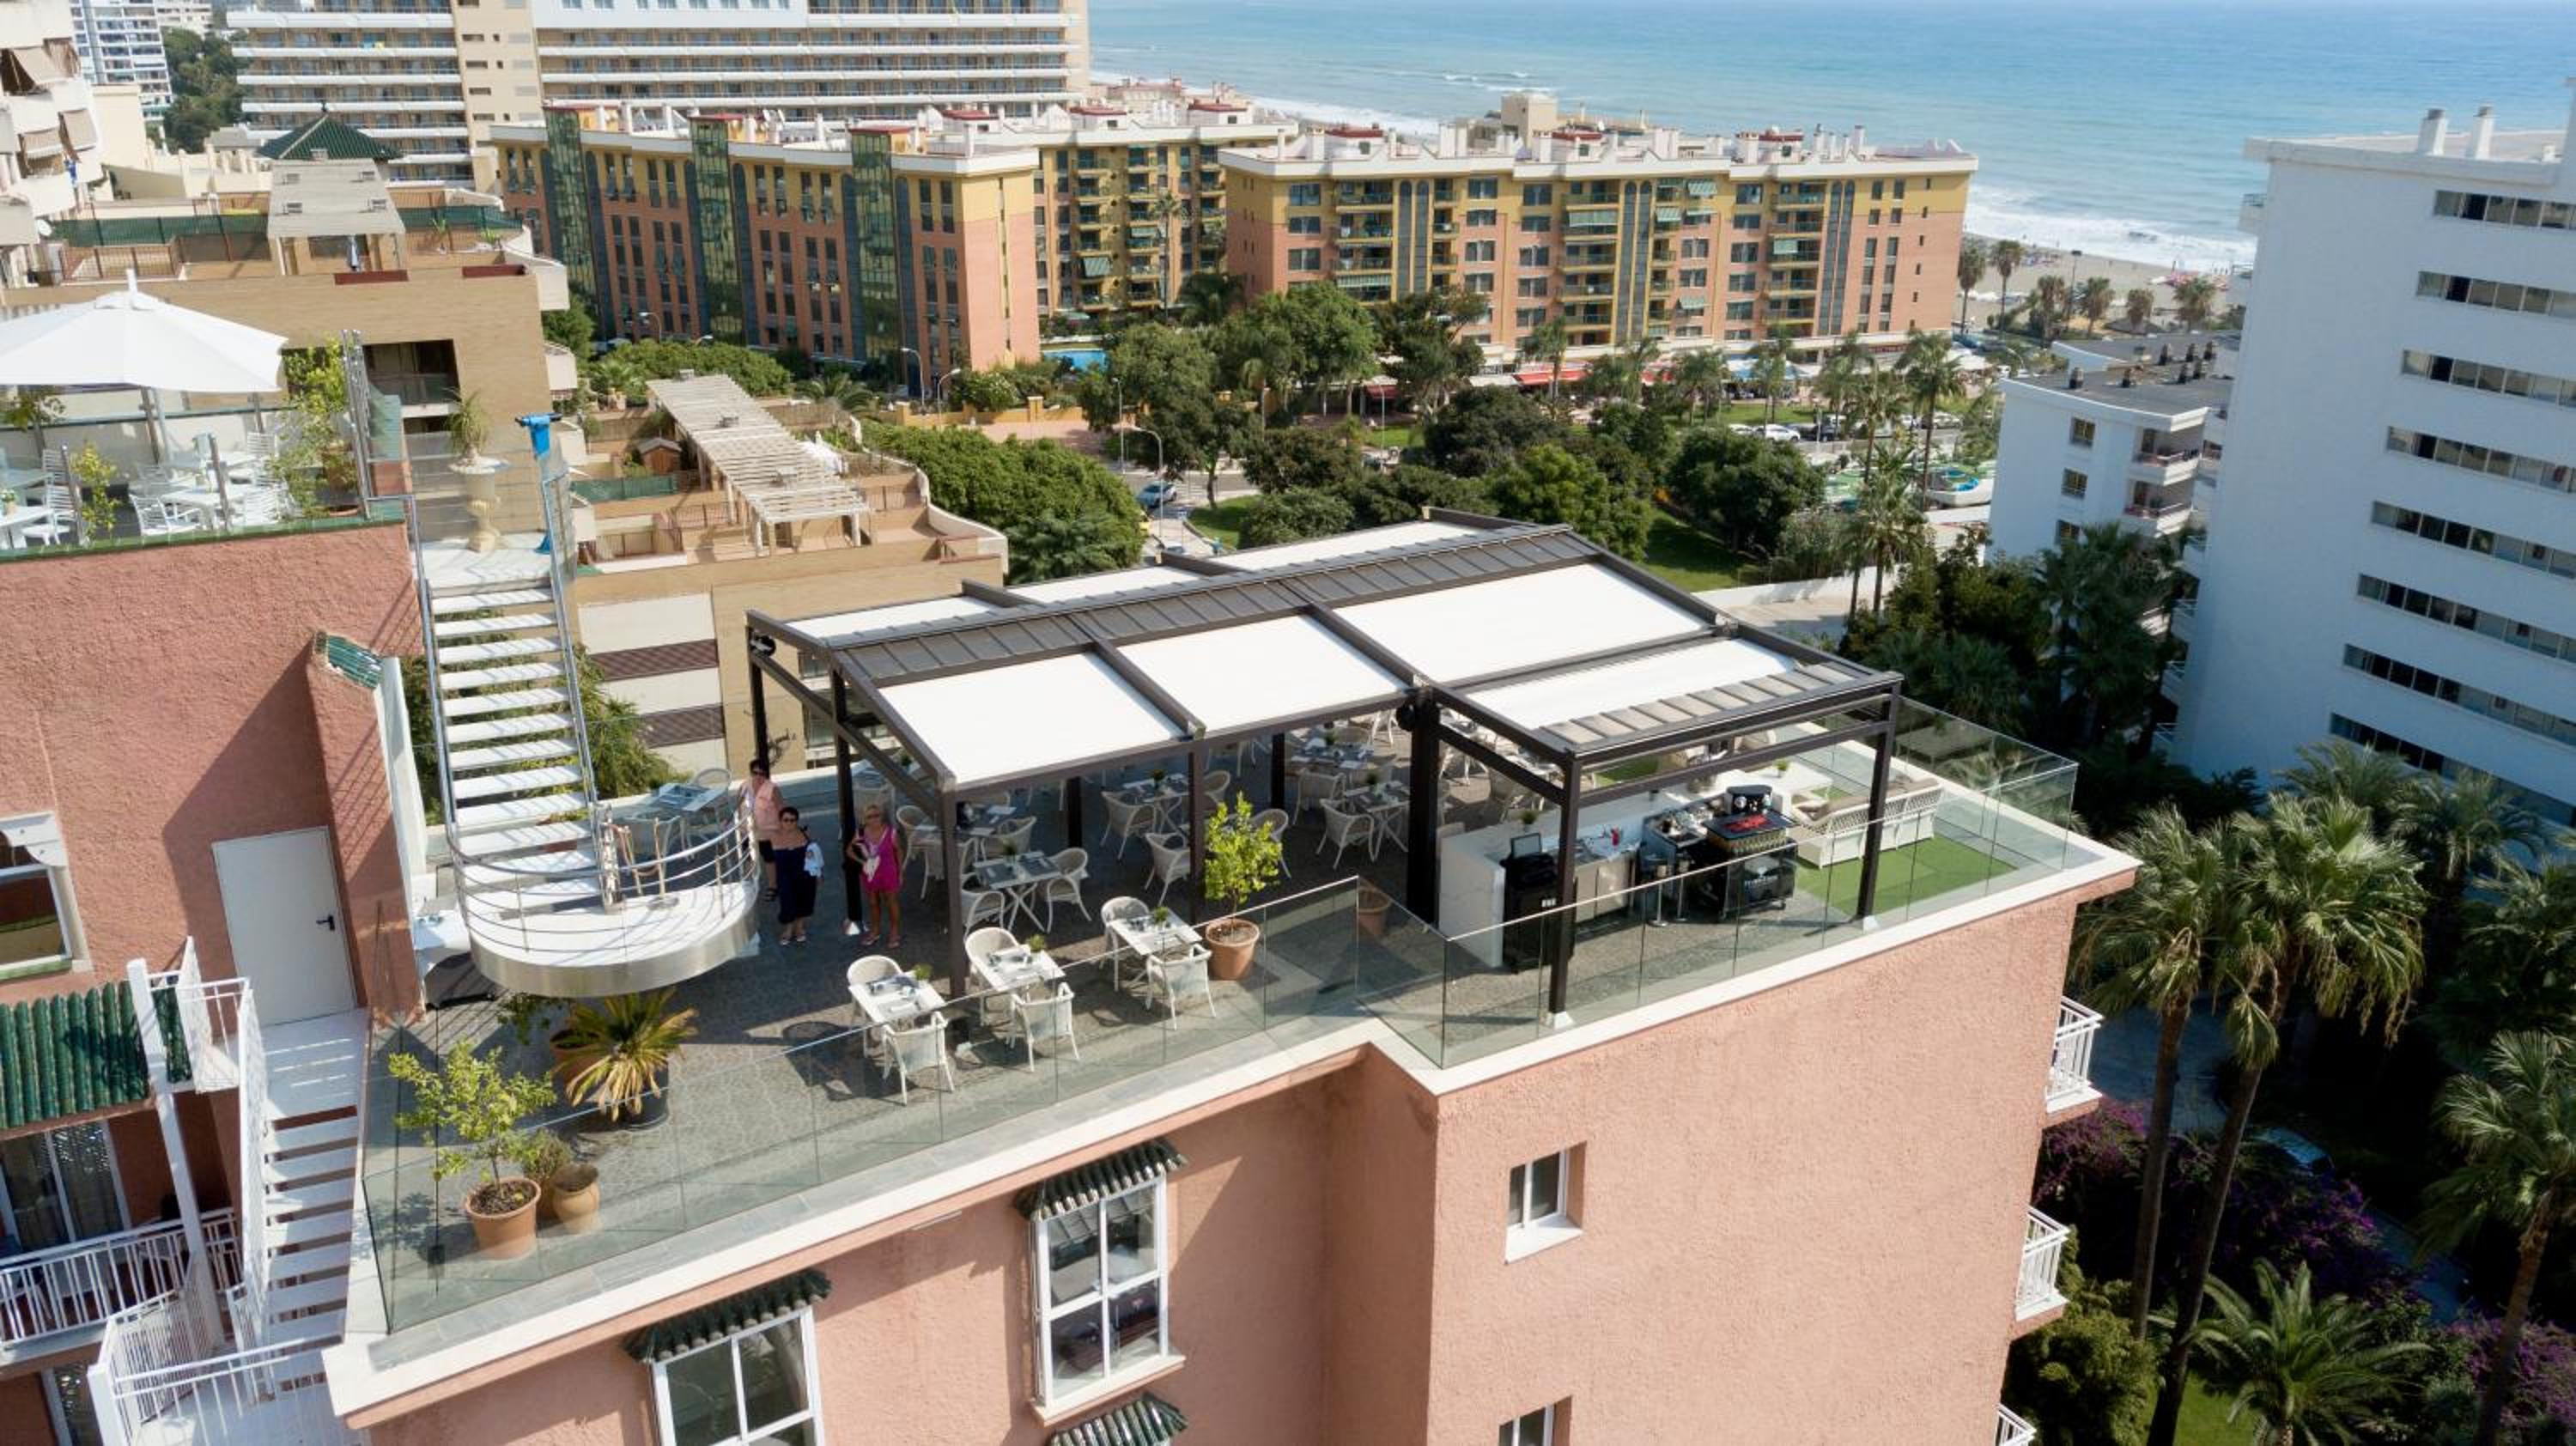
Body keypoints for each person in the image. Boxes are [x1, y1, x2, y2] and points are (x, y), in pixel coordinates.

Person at [846, 803, 904, 948]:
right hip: (871, 873)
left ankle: (895, 932)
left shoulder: (891, 832)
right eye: (870, 816)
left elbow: (899, 851)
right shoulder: (861, 832)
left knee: (891, 901)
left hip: (888, 872)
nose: (874, 819)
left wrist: (900, 871)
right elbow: (849, 851)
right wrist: (863, 862)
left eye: (877, 815)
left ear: (882, 816)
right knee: (873, 902)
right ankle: (875, 931)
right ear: (865, 819)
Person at [773, 806, 818, 945]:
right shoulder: (773, 837)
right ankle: (788, 929)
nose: (789, 823)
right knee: (787, 902)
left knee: (804, 900)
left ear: (797, 821)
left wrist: (818, 874)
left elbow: (814, 855)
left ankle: (799, 927)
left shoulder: (804, 834)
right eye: (786, 820)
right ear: (780, 821)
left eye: (792, 820)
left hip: (805, 875)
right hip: (784, 876)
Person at [746, 758, 783, 901]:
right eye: (755, 773)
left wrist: (785, 829)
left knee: (769, 859)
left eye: (761, 773)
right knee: (748, 857)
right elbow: (739, 804)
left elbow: (781, 809)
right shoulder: (745, 786)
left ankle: (773, 886)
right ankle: (750, 883)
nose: (758, 776)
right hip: (749, 831)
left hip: (769, 832)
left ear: (766, 774)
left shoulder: (773, 789)